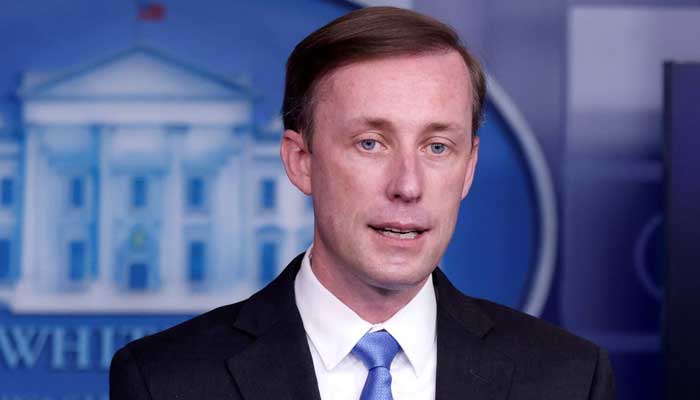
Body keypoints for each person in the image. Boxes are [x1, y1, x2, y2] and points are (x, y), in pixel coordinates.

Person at [110, 6, 615, 400]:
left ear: (469, 167)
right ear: (301, 160)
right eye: (371, 143)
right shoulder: (164, 380)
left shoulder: (568, 379)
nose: (408, 185)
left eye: (437, 147)